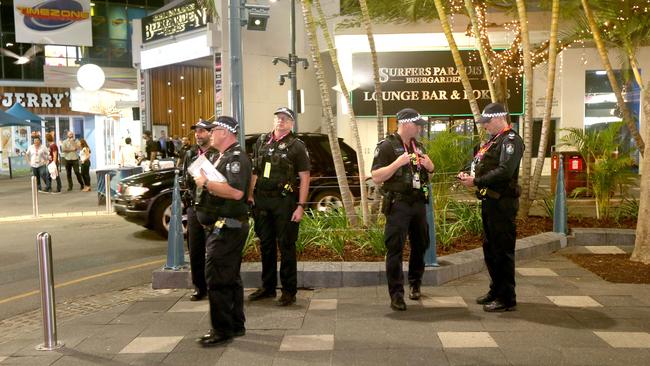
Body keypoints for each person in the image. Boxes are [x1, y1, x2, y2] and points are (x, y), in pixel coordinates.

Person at [457, 102, 524, 313]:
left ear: (498, 118)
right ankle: (495, 290)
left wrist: (477, 181)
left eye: (487, 122)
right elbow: (480, 164)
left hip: (502, 203)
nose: (485, 126)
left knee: (503, 251)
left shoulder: (511, 140)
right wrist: (466, 173)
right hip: (489, 202)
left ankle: (507, 298)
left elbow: (505, 171)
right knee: (490, 250)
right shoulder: (493, 141)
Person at [193, 116, 251, 347]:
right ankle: (235, 325)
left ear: (225, 132)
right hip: (223, 225)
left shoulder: (235, 158)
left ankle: (221, 330)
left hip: (228, 226)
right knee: (230, 277)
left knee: (216, 278)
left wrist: (205, 183)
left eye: (214, 129)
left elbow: (236, 192)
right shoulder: (222, 156)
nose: (210, 133)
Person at [371, 108, 435, 311]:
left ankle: (415, 284)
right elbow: (376, 176)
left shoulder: (419, 146)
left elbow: (427, 176)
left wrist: (430, 167)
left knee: (421, 244)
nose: (419, 128)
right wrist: (397, 163)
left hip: (417, 203)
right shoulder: (387, 146)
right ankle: (396, 294)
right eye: (417, 125)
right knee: (395, 249)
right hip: (398, 205)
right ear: (406, 124)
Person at [247, 107, 310, 307]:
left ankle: (289, 291)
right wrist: (250, 195)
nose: (281, 121)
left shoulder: (297, 146)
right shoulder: (261, 141)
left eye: (285, 119)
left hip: (285, 202)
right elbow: (255, 170)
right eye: (278, 118)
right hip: (262, 201)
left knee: (286, 246)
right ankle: (268, 287)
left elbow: (305, 177)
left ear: (291, 123)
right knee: (266, 245)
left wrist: (300, 206)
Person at [182, 120, 219, 301]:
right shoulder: (189, 154)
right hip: (193, 207)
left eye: (202, 131)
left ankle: (215, 286)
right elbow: (185, 179)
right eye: (196, 131)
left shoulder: (218, 154)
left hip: (212, 207)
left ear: (211, 133)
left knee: (214, 249)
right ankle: (199, 287)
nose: (198, 134)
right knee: (194, 249)